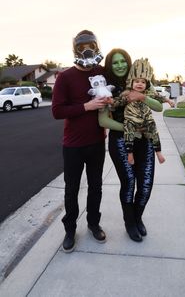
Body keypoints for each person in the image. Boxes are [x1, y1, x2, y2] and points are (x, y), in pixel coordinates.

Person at [52, 30, 109, 253]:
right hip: (73, 145)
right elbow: (56, 111)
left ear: (97, 46)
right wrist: (87, 106)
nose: (87, 49)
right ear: (75, 49)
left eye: (91, 45)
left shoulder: (101, 72)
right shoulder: (64, 77)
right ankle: (70, 229)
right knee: (71, 189)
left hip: (96, 142)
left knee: (96, 186)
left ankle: (94, 224)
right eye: (83, 45)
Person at [99, 49, 164, 242]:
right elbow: (103, 121)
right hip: (121, 142)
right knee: (128, 184)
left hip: (145, 144)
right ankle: (130, 223)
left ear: (129, 63)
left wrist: (142, 96)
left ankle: (137, 218)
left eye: (123, 61)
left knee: (145, 186)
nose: (120, 65)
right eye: (115, 62)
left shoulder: (140, 82)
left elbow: (159, 107)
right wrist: (131, 130)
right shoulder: (106, 88)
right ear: (110, 65)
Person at [111, 57, 166, 165]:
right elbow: (118, 102)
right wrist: (111, 103)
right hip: (131, 120)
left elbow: (159, 99)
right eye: (136, 81)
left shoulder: (147, 93)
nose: (139, 84)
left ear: (147, 84)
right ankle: (130, 154)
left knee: (153, 130)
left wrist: (168, 100)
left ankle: (159, 152)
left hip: (146, 120)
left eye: (142, 82)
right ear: (131, 83)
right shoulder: (127, 93)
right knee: (128, 130)